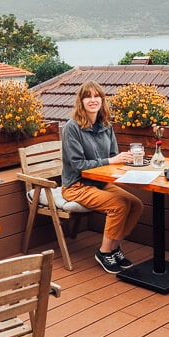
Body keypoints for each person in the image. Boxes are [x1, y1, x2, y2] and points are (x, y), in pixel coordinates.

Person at [61, 80, 144, 274]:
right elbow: (78, 165)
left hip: (101, 183)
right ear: (80, 101)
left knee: (136, 204)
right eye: (87, 96)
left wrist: (129, 164)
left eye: (96, 96)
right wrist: (111, 161)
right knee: (119, 205)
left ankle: (114, 247)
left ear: (102, 100)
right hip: (77, 185)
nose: (93, 100)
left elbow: (114, 156)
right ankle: (104, 252)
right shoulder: (72, 128)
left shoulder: (106, 125)